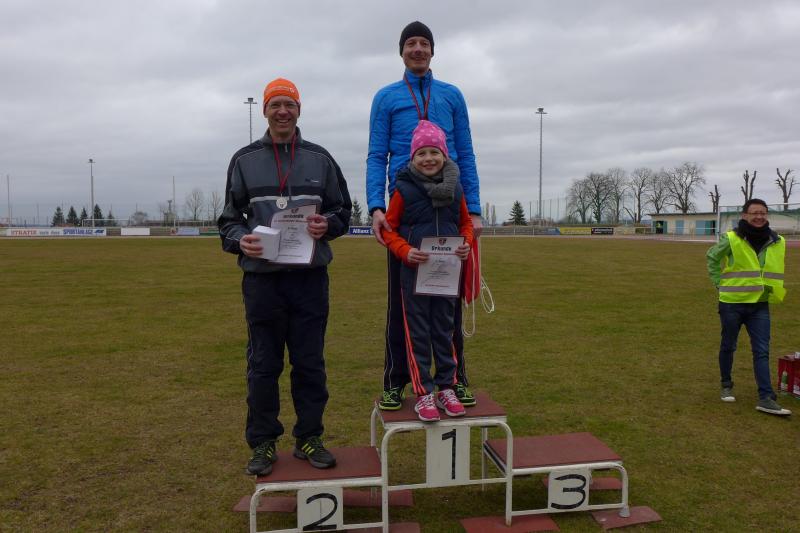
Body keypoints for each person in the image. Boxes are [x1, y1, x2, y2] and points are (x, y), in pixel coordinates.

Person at [218, 78, 353, 475]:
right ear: (264, 110)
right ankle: (262, 443)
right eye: (275, 104)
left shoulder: (320, 158)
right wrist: (241, 241)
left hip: (309, 280)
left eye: (289, 105)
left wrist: (326, 225)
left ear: (299, 110)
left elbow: (343, 211)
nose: (282, 111)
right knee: (264, 364)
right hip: (263, 281)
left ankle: (309, 437)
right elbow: (228, 220)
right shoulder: (244, 160)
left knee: (310, 363)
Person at [367, 20, 482, 411]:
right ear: (401, 51)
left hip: (449, 204)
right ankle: (396, 380)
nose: (417, 49)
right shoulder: (386, 97)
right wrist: (376, 206)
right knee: (402, 304)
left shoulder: (452, 95)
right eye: (410, 43)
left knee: (447, 301)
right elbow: (376, 154)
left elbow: (465, 151)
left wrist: (474, 209)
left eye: (424, 43)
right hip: (407, 208)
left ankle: (454, 380)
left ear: (432, 50)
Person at [381, 120, 474, 421]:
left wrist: (466, 243)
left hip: (447, 275)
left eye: (435, 152)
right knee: (418, 333)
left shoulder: (456, 187)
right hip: (415, 275)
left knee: (445, 331)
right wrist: (405, 251)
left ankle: (447, 386)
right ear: (413, 158)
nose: (429, 158)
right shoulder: (403, 189)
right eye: (422, 153)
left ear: (445, 155)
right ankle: (423, 393)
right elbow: (388, 230)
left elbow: (465, 224)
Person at [706, 198, 791, 416]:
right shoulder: (732, 238)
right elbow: (712, 257)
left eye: (763, 212)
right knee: (728, 345)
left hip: (760, 304)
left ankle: (765, 397)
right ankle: (726, 385)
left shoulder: (777, 240)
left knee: (762, 350)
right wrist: (718, 283)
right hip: (732, 303)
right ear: (745, 215)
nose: (759, 216)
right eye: (754, 213)